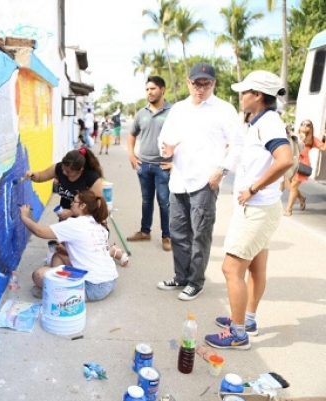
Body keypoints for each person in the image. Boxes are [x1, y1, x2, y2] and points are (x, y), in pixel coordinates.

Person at [204, 70, 293, 349]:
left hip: (257, 207)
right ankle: (248, 318)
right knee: (255, 268)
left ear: (257, 95)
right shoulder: (260, 121)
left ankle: (238, 333)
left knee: (231, 268)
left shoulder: (269, 123)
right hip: (261, 207)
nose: (241, 96)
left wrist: (253, 188)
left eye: (245, 92)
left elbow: (285, 160)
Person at [156, 62, 244, 301]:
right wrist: (168, 149)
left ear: (214, 84)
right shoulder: (179, 109)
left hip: (205, 181)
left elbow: (237, 145)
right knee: (177, 231)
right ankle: (181, 276)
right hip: (179, 180)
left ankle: (196, 281)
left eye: (206, 84)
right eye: (196, 84)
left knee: (200, 233)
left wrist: (222, 170)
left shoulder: (224, 109)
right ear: (188, 83)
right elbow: (164, 139)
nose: (200, 89)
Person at [19, 190, 119, 301]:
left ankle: (56, 291)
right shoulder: (98, 223)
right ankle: (56, 285)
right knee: (58, 256)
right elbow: (88, 250)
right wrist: (66, 249)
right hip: (110, 280)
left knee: (38, 275)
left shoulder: (75, 224)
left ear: (82, 206)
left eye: (74, 201)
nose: (71, 203)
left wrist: (25, 217)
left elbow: (39, 231)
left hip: (92, 287)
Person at [127, 76, 173, 252]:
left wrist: (175, 163)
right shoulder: (141, 113)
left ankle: (166, 236)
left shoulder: (172, 112)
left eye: (153, 89)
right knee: (146, 201)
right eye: (147, 89)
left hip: (163, 166)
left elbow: (185, 138)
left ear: (163, 90)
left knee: (164, 202)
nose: (149, 92)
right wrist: (131, 155)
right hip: (144, 165)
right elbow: (132, 134)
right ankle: (145, 231)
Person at [24, 148, 104, 220]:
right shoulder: (58, 168)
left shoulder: (92, 178)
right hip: (64, 215)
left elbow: (97, 204)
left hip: (84, 219)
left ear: (80, 170)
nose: (64, 173)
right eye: (63, 169)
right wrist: (31, 174)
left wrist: (71, 212)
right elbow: (40, 176)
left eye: (68, 171)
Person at [284, 119, 326, 215]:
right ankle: (302, 198)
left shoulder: (312, 139)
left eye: (308, 125)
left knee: (294, 187)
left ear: (311, 128)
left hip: (302, 165)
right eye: (302, 124)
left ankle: (288, 209)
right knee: (289, 187)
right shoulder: (294, 135)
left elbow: (323, 148)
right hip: (290, 164)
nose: (305, 126)